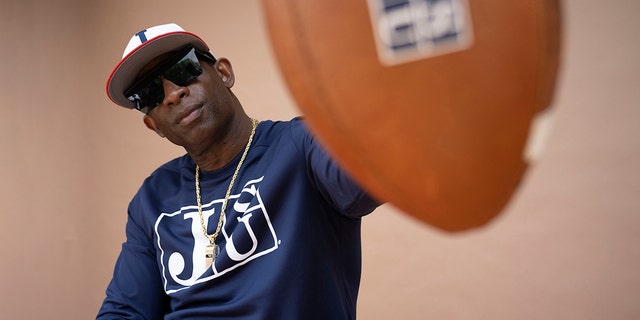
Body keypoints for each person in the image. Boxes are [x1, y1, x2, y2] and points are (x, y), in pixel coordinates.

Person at [97, 23, 381, 319]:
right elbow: (124, 311)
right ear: (154, 125)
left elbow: (380, 173)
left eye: (183, 69)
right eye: (150, 92)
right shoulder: (152, 198)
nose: (172, 94)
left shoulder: (302, 146)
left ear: (223, 73)